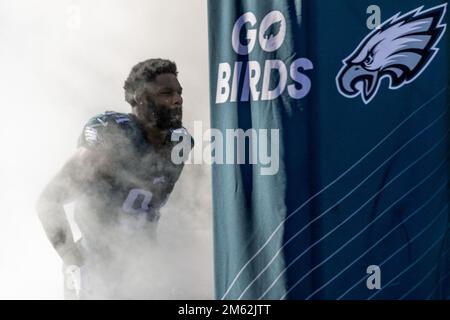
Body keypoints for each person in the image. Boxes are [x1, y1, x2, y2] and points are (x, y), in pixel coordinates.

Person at [36, 58, 193, 299]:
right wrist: (73, 261)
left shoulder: (180, 142)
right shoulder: (113, 137)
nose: (177, 99)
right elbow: (49, 201)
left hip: (146, 268)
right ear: (141, 97)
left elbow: (179, 206)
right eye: (166, 93)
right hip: (98, 268)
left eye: (179, 93)